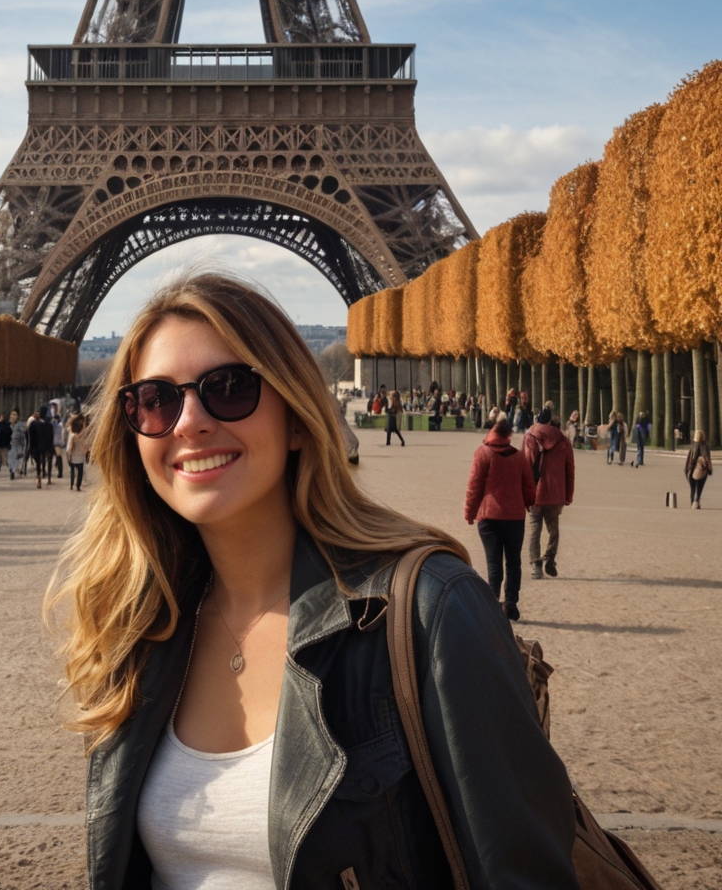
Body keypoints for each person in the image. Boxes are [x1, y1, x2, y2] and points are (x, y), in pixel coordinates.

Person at [46, 273, 578, 890]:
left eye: (229, 388)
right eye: (156, 400)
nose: (189, 422)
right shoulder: (138, 624)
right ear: (132, 429)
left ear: (297, 417)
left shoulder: (432, 609)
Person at [464, 417, 536, 620]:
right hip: (514, 517)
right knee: (514, 562)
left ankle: (493, 602)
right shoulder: (520, 457)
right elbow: (529, 485)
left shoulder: (482, 454)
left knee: (493, 564)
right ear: (508, 437)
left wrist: (470, 513)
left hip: (489, 517)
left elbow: (474, 487)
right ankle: (511, 602)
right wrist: (529, 502)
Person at [524, 406, 575, 579]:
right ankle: (550, 557)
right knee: (553, 527)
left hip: (536, 491)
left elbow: (526, 466)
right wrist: (568, 495)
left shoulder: (530, 437)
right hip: (556, 492)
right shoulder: (563, 441)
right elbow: (570, 470)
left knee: (534, 528)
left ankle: (535, 565)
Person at [685, 430, 713, 509]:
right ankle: (697, 501)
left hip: (691, 470)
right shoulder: (705, 446)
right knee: (699, 487)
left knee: (692, 488)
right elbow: (707, 459)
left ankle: (692, 503)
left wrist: (688, 469)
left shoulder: (693, 446)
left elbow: (690, 459)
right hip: (702, 470)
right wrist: (709, 469)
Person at [65, 414, 86, 491]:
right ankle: (78, 485)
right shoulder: (81, 436)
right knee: (80, 472)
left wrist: (69, 455)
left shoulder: (73, 436)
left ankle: (71, 484)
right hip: (80, 455)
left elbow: (71, 446)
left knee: (72, 471)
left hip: (74, 455)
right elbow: (83, 446)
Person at [9, 409, 28, 479]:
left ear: (18, 416)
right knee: (11, 459)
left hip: (19, 444)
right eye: (11, 414)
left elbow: (24, 433)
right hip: (10, 445)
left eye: (14, 415)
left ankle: (13, 471)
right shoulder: (9, 425)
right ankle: (13, 470)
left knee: (16, 459)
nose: (12, 416)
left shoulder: (20, 425)